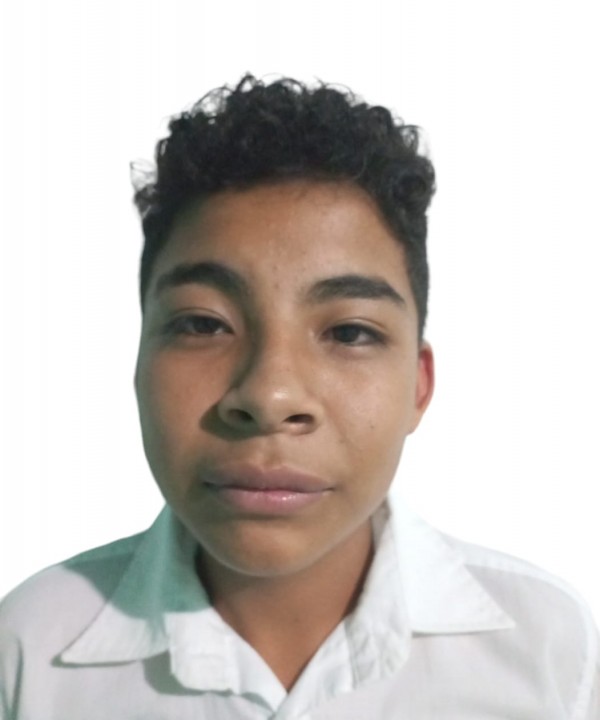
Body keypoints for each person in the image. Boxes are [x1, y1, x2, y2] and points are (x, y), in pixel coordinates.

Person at [0, 74, 598, 720]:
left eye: (349, 332)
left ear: (418, 386)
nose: (270, 395)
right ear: (138, 363)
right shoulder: (30, 651)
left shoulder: (548, 651)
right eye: (203, 324)